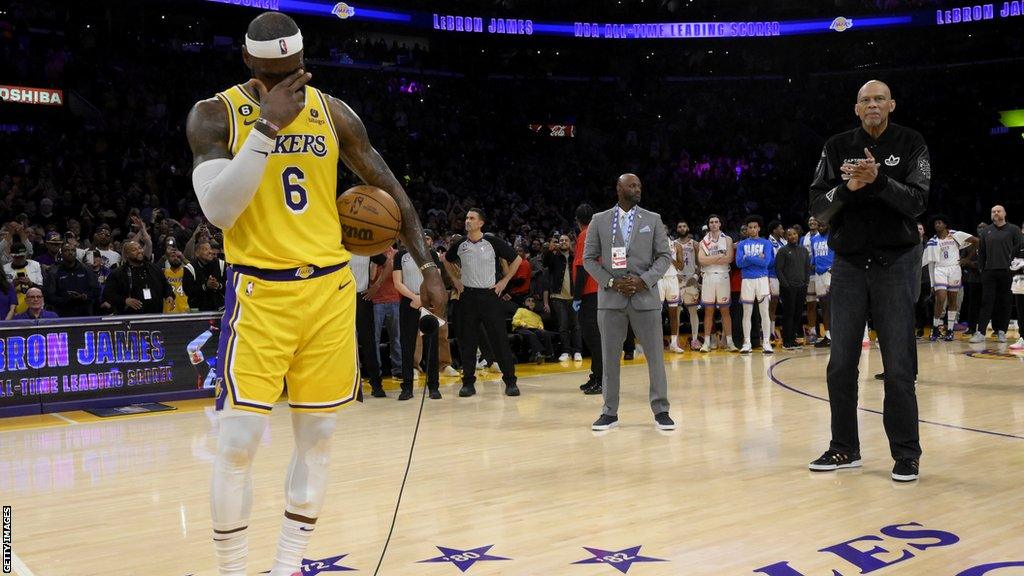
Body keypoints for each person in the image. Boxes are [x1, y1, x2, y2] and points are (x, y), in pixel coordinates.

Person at [186, 11, 444, 576]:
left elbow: (388, 188)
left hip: (328, 292)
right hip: (260, 291)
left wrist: (425, 262)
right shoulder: (214, 115)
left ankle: (286, 566)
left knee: (319, 436)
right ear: (250, 64)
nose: (287, 81)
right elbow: (219, 209)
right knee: (237, 441)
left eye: (295, 70)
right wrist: (267, 127)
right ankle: (232, 570)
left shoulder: (333, 112)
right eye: (275, 72)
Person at [808, 79, 930, 482]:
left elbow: (917, 202)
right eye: (865, 100)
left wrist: (877, 180)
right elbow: (818, 207)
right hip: (848, 266)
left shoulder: (911, 142)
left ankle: (906, 454)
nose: (873, 105)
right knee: (841, 363)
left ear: (892, 104)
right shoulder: (836, 145)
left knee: (898, 366)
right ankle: (845, 448)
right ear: (856, 108)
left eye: (879, 99)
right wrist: (849, 186)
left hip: (895, 264)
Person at [583, 173, 674, 431]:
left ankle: (661, 410)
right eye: (632, 185)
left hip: (645, 296)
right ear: (619, 188)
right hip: (611, 298)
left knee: (655, 357)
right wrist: (611, 282)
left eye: (640, 186)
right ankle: (609, 412)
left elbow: (664, 257)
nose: (638, 189)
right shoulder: (599, 220)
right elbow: (589, 259)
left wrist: (644, 280)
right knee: (610, 358)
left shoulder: (652, 219)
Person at [443, 208, 521, 397]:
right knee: (467, 341)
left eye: (472, 218)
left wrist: (504, 281)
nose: (467, 221)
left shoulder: (492, 242)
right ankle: (468, 382)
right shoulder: (461, 244)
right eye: (467, 218)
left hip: (489, 296)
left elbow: (517, 259)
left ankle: (510, 381)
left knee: (499, 339)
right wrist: (456, 281)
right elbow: (446, 260)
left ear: (480, 223)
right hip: (467, 297)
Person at [393, 233, 445, 401]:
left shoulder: (431, 255)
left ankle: (434, 386)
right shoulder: (400, 256)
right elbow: (397, 282)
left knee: (431, 344)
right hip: (409, 304)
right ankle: (407, 387)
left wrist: (422, 298)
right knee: (407, 345)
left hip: (428, 304)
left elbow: (435, 278)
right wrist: (413, 298)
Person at [970, 205, 1023, 343]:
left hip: (1008, 272)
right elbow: (981, 252)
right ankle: (980, 332)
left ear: (1004, 213)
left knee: (1005, 302)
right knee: (986, 302)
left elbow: (1020, 250)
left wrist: (1015, 269)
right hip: (989, 272)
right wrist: (982, 269)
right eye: (993, 211)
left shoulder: (1014, 230)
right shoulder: (986, 231)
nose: (996, 213)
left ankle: (1001, 331)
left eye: (998, 211)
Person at [923, 215, 977, 341]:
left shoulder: (955, 235)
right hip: (939, 269)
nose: (937, 225)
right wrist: (932, 284)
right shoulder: (932, 241)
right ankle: (935, 327)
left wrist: (967, 259)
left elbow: (977, 241)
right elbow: (930, 263)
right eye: (935, 223)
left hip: (954, 269)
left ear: (945, 224)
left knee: (953, 301)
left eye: (939, 222)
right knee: (940, 299)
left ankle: (950, 330)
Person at [572, 203, 603, 395]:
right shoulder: (597, 233)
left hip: (589, 293)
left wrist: (576, 296)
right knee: (596, 338)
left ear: (577, 220)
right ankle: (596, 375)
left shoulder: (584, 235)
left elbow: (582, 267)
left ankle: (601, 379)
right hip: (598, 291)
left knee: (594, 339)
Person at [735, 215, 775, 354]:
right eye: (749, 227)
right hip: (746, 280)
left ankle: (766, 342)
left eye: (754, 227)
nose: (752, 229)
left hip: (762, 279)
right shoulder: (741, 244)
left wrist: (748, 258)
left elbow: (766, 262)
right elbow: (739, 263)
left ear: (759, 228)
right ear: (747, 229)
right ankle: (747, 343)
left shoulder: (766, 243)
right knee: (746, 313)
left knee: (764, 312)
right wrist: (757, 258)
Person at [698, 214, 737, 352]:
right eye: (711, 222)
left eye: (716, 222)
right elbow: (701, 260)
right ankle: (707, 342)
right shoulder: (703, 241)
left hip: (723, 277)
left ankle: (729, 342)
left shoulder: (727, 239)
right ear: (708, 225)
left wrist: (711, 259)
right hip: (708, 277)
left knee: (725, 310)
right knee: (708, 311)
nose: (714, 224)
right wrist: (719, 256)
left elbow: (730, 258)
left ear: (720, 224)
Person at [104, 241, 174, 315]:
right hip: (130, 318)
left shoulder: (154, 268)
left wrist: (169, 295)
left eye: (140, 248)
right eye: (134, 250)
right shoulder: (118, 273)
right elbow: (108, 295)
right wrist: (124, 300)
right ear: (127, 255)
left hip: (155, 316)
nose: (139, 251)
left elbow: (166, 285)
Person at [543, 234, 582, 362]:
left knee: (576, 325)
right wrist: (550, 249)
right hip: (558, 297)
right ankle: (566, 351)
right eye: (561, 241)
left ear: (570, 243)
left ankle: (577, 351)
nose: (563, 242)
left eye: (566, 240)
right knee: (563, 326)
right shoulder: (554, 257)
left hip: (574, 296)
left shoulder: (575, 256)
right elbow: (545, 263)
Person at [775, 226, 810, 350]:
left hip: (801, 287)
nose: (793, 236)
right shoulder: (783, 251)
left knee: (797, 313)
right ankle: (786, 340)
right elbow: (778, 269)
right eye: (789, 235)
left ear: (798, 235)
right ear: (786, 237)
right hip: (788, 288)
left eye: (794, 234)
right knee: (788, 313)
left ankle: (793, 338)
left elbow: (807, 268)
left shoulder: (804, 251)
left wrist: (806, 283)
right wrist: (786, 285)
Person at [44, 242, 99, 318]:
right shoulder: (54, 272)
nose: (70, 253)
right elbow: (49, 296)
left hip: (85, 313)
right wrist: (67, 299)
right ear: (61, 253)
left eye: (73, 250)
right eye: (66, 250)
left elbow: (96, 290)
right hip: (62, 314)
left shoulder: (86, 269)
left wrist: (85, 296)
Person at [675, 221, 702, 351]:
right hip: (677, 280)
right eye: (680, 226)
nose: (682, 228)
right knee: (676, 311)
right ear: (677, 229)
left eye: (684, 226)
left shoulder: (695, 244)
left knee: (693, 310)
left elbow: (700, 263)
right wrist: (675, 274)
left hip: (691, 280)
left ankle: (695, 340)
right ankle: (675, 341)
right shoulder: (673, 244)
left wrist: (696, 277)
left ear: (688, 228)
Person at [660, 228, 686, 353]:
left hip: (672, 279)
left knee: (673, 313)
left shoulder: (676, 246)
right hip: (658, 279)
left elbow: (681, 266)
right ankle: (656, 343)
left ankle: (674, 343)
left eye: (665, 228)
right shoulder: (652, 245)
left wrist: (669, 257)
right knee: (656, 314)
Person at [810, 222, 834, 347]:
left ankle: (838, 335)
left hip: (830, 272)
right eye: (818, 226)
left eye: (822, 225)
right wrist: (814, 266)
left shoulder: (833, 236)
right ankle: (828, 336)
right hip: (818, 274)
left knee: (834, 305)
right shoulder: (814, 239)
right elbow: (813, 257)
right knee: (824, 306)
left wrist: (833, 268)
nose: (820, 228)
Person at [184, 241, 227, 311]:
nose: (210, 251)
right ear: (197, 253)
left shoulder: (221, 264)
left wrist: (218, 285)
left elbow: (230, 286)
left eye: (210, 248)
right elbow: (188, 291)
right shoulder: (189, 268)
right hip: (198, 310)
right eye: (205, 249)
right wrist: (205, 286)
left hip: (220, 308)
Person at [512, 296, 556, 363]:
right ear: (524, 303)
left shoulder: (537, 315)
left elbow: (540, 323)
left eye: (533, 301)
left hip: (534, 329)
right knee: (531, 334)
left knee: (545, 333)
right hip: (521, 328)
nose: (531, 302)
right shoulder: (521, 310)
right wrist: (522, 323)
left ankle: (549, 354)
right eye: (528, 301)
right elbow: (514, 321)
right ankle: (537, 354)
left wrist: (541, 327)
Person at [3, 244, 43, 314]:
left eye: (21, 256)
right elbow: (2, 293)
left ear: (26, 254)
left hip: (34, 309)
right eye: (16, 257)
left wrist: (30, 283)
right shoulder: (5, 269)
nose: (19, 259)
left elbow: (41, 289)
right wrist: (12, 285)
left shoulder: (35, 265)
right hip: (12, 310)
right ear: (11, 255)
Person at [766, 220, 786, 341]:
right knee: (772, 306)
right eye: (780, 228)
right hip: (772, 276)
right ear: (774, 230)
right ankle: (770, 332)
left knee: (784, 306)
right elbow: (768, 262)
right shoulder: (768, 243)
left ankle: (784, 330)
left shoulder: (783, 242)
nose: (783, 230)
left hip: (783, 276)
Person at [803, 216, 820, 344]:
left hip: (822, 273)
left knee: (826, 304)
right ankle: (813, 332)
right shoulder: (804, 238)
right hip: (809, 275)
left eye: (814, 220)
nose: (812, 222)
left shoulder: (824, 236)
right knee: (811, 304)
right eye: (810, 221)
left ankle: (830, 333)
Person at [163, 238, 191, 314]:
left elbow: (194, 269)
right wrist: (165, 255)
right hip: (168, 312)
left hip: (186, 311)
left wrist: (182, 257)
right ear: (167, 259)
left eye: (178, 257)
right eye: (172, 256)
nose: (176, 258)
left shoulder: (187, 271)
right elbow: (154, 269)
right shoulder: (163, 272)